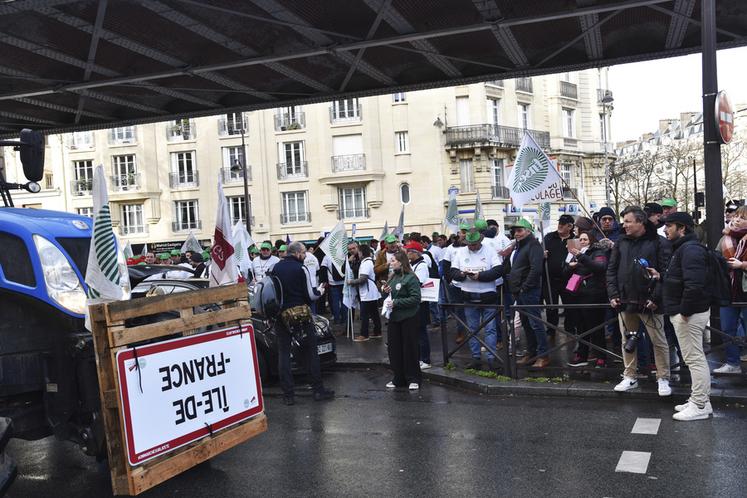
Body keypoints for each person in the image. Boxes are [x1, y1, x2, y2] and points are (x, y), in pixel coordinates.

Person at [649, 212, 713, 420]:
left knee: (694, 358)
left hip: (689, 313)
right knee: (694, 357)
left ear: (682, 228)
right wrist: (661, 276)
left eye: (669, 226)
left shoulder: (690, 250)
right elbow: (682, 279)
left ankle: (700, 404)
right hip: (687, 311)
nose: (665, 230)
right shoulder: (684, 248)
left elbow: (694, 285)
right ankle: (701, 400)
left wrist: (684, 311)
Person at [606, 206, 672, 395]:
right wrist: (613, 294)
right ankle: (630, 376)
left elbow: (664, 273)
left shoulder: (659, 243)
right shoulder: (621, 243)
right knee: (628, 339)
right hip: (625, 300)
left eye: (628, 221)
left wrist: (656, 297)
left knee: (658, 341)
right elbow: (611, 270)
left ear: (640, 222)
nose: (624, 225)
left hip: (650, 302)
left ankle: (663, 378)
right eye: (624, 221)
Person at [273, 242, 333, 405]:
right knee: (310, 351)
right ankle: (317, 390)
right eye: (304, 253)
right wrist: (320, 291)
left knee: (284, 354)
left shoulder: (276, 268)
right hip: (300, 314)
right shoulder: (301, 268)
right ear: (298, 253)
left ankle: (288, 395)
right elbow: (309, 295)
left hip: (281, 315)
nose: (305, 256)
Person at [449, 228, 503, 371]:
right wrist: (462, 274)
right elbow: (452, 271)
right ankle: (476, 358)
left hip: (488, 295)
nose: (471, 247)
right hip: (468, 295)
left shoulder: (490, 251)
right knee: (472, 329)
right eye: (469, 244)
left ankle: (491, 358)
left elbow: (498, 270)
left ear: (480, 241)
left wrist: (480, 276)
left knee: (490, 329)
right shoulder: (461, 252)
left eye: (474, 244)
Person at [564, 230, 610, 368]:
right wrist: (570, 266)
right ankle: (581, 355)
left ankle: (601, 356)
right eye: (580, 239)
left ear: (591, 240)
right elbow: (565, 273)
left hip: (594, 294)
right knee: (581, 327)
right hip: (577, 294)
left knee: (596, 327)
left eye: (585, 239)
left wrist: (581, 257)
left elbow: (599, 267)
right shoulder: (575, 253)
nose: (582, 241)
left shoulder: (597, 252)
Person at [508, 219, 549, 368]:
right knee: (526, 323)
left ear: (528, 231)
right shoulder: (520, 246)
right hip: (520, 291)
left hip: (528, 290)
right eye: (515, 231)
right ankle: (532, 353)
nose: (516, 233)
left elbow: (536, 269)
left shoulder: (533, 245)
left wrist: (525, 287)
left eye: (520, 230)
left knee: (535, 323)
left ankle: (543, 355)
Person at [382, 251, 422, 390]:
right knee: (394, 349)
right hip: (394, 318)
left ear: (401, 262)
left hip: (408, 317)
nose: (391, 263)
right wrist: (385, 290)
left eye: (393, 261)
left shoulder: (411, 278)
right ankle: (398, 378)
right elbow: (390, 294)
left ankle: (413, 378)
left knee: (409, 349)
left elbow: (416, 298)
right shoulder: (392, 277)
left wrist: (397, 302)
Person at [714, 205, 747, 374]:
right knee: (728, 329)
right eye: (736, 216)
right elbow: (716, 258)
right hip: (728, 290)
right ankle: (732, 363)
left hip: (745, 290)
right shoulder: (725, 238)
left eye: (742, 217)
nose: (736, 219)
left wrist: (741, 265)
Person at [543, 214, 576, 339]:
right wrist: (542, 254)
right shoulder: (549, 237)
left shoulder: (575, 239)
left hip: (569, 279)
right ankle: (551, 329)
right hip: (550, 279)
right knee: (551, 305)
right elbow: (540, 252)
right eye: (559, 223)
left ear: (570, 226)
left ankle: (570, 329)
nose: (560, 225)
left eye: (563, 224)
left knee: (570, 305)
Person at [405, 241, 432, 369]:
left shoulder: (422, 265)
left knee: (421, 332)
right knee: (415, 331)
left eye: (408, 251)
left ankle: (426, 359)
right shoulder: (412, 264)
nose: (406, 253)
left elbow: (418, 282)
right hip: (414, 302)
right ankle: (419, 357)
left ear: (415, 253)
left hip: (421, 303)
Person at [347, 244, 381, 341]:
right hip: (370, 291)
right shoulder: (368, 261)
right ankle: (377, 331)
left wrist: (351, 282)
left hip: (368, 292)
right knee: (374, 313)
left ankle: (364, 334)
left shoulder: (366, 263)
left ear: (361, 252)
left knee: (365, 314)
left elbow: (363, 279)